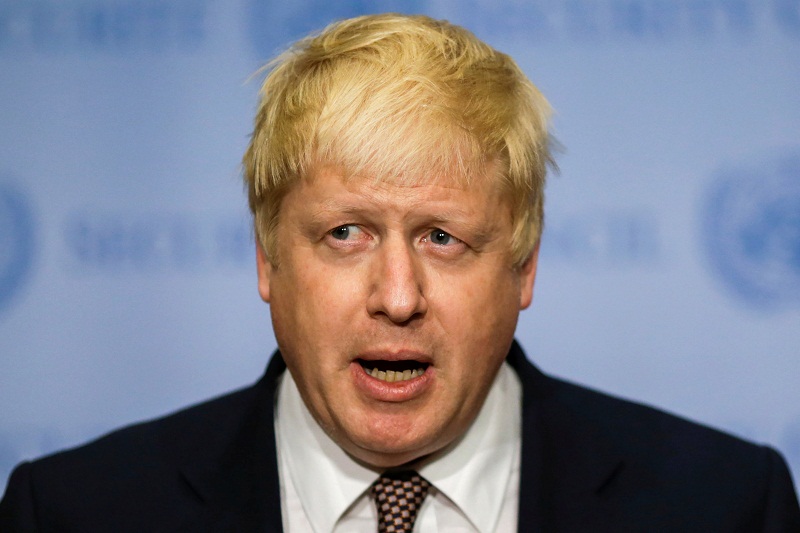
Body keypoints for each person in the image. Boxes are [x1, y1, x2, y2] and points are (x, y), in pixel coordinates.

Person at [1, 13, 798, 532]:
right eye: (345, 233)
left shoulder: (725, 505)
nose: (398, 296)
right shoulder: (75, 512)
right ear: (267, 258)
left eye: (443, 238)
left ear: (524, 265)